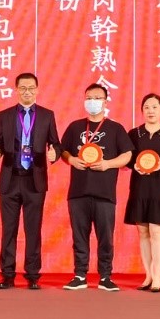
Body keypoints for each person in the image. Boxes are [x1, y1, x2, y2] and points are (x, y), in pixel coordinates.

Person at [0, 72, 61, 289]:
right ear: (16, 90)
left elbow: (55, 143)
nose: (27, 92)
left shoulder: (47, 115)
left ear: (37, 90)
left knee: (33, 230)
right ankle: (7, 275)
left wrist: (55, 153)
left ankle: (32, 275)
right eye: (23, 88)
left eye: (31, 88)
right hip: (10, 179)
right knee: (8, 230)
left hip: (35, 180)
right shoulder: (4, 115)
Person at [60, 83, 133, 291]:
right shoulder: (75, 127)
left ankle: (105, 276)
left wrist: (108, 164)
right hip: (78, 192)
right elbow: (63, 150)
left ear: (105, 102)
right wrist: (71, 159)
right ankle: (80, 275)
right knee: (79, 236)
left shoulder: (115, 128)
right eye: (89, 98)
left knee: (105, 237)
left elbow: (128, 154)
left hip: (104, 193)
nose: (93, 101)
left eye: (97, 98)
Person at [124, 93, 160, 293]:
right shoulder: (134, 133)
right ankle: (148, 274)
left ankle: (158, 275)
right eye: (147, 107)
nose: (151, 111)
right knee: (143, 232)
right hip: (139, 185)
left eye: (155, 107)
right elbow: (128, 158)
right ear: (142, 110)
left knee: (157, 232)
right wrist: (134, 165)